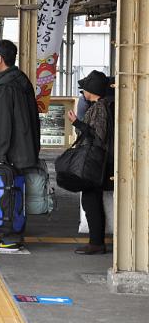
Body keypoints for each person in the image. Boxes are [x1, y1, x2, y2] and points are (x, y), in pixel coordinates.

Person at [0, 40, 40, 253]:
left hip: (10, 152)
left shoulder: (4, 86)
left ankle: (10, 237)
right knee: (16, 192)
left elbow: (1, 123)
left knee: (8, 194)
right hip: (23, 148)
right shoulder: (21, 80)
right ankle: (13, 235)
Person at [66, 70, 115, 255]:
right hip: (97, 161)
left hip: (96, 162)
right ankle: (96, 241)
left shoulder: (99, 108)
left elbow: (98, 136)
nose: (82, 92)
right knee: (91, 199)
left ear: (91, 90)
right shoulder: (99, 106)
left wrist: (77, 123)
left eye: (84, 88)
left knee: (90, 199)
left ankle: (96, 243)